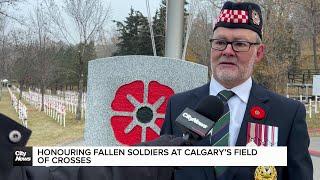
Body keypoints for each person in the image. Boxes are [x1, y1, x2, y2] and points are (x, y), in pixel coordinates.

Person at [160, 1, 313, 180]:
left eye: (239, 44)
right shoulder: (178, 107)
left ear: (259, 53)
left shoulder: (287, 114)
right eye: (220, 42)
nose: (228, 51)